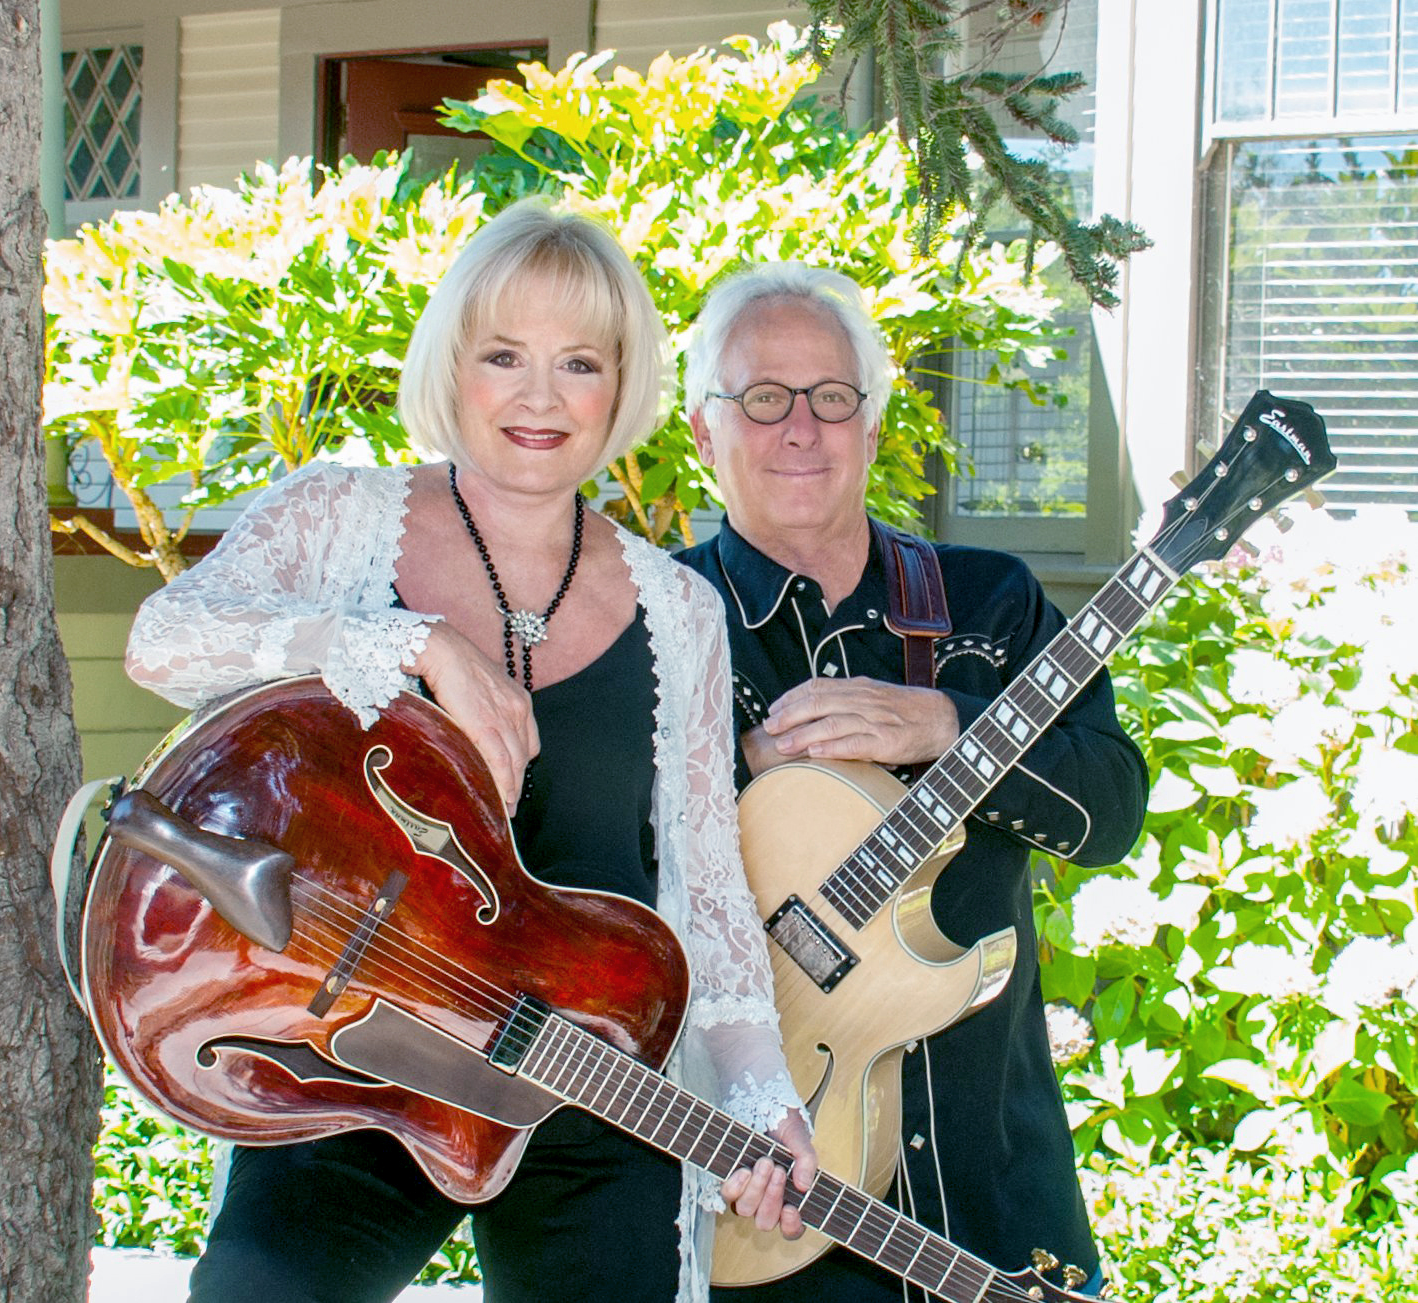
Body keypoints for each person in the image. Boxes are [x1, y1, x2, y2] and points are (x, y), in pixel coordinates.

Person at [123, 202, 816, 1303]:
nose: (540, 398)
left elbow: (703, 875)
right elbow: (162, 642)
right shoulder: (341, 517)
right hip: (353, 1061)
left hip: (592, 1077)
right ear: (454, 364)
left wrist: (756, 1091)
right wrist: (406, 641)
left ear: (622, 384)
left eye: (579, 363)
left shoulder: (679, 609)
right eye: (504, 355)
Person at [675, 262, 1149, 1300]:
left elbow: (1111, 811)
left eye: (832, 397)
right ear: (705, 434)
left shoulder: (990, 600)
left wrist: (953, 726)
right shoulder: (655, 629)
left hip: (995, 1177)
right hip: (774, 1187)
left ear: (874, 427)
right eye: (762, 398)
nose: (802, 427)